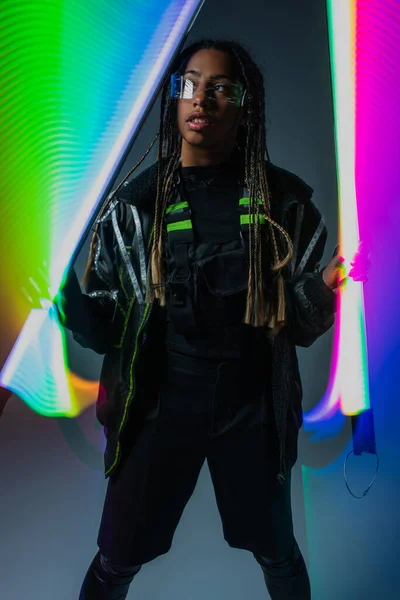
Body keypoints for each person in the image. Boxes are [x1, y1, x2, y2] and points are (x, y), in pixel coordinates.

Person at [57, 39, 344, 600]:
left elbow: (302, 330)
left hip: (250, 407)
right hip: (159, 406)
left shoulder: (286, 205)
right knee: (117, 557)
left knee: (277, 551)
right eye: (188, 84)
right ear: (173, 98)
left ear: (245, 107)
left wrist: (323, 289)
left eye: (219, 88)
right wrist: (68, 299)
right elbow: (105, 331)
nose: (201, 99)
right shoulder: (134, 209)